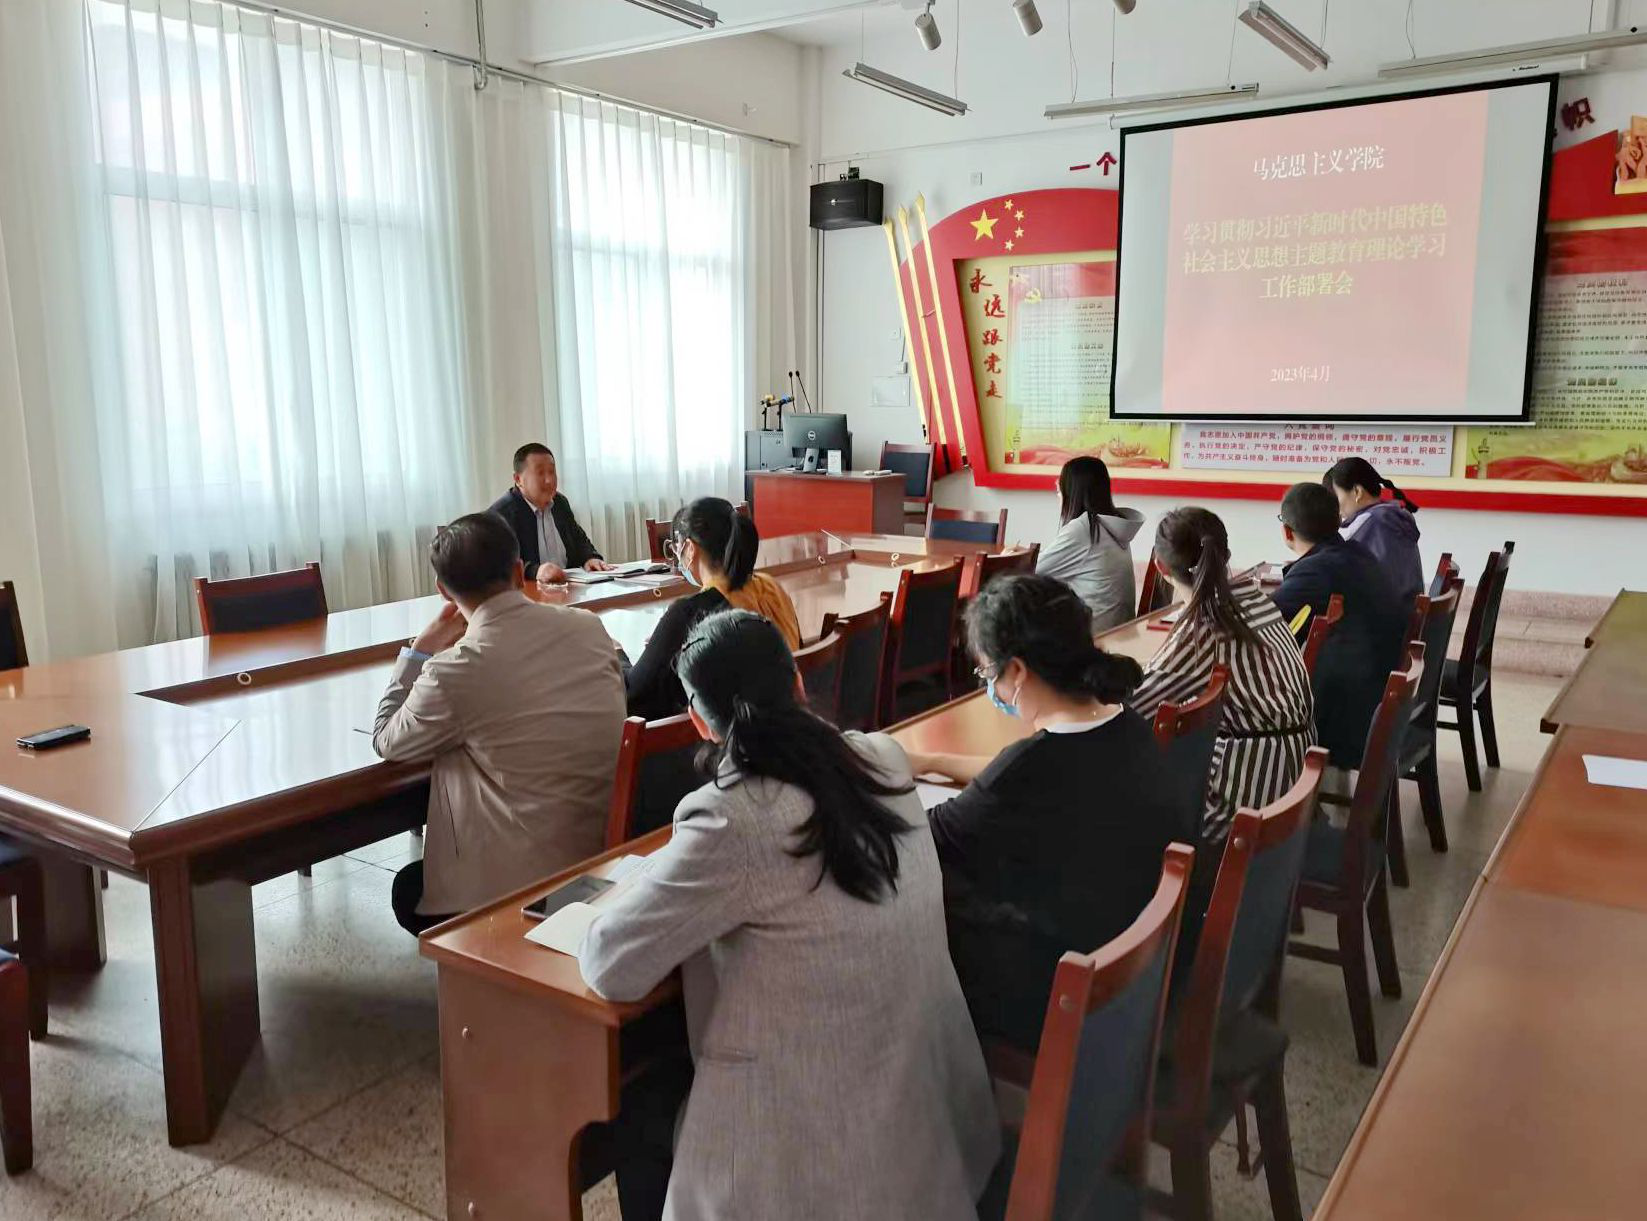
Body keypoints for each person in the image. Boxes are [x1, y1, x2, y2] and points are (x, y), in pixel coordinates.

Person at [578, 611, 1000, 1221]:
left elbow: (609, 964)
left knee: (640, 1106)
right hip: (921, 1125)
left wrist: (649, 877)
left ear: (701, 722)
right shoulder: (881, 757)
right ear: (799, 682)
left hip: (808, 1148)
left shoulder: (729, 816)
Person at [903, 574, 1190, 1053]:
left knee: (921, 899)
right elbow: (1008, 775)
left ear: (1017, 671)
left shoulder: (1026, 771)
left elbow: (918, 839)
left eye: (987, 672)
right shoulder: (1125, 724)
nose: (990, 686)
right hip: (1134, 977)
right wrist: (931, 760)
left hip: (1063, 1000)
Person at [372, 512, 625, 934]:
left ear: (442, 591)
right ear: (518, 570)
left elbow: (386, 739)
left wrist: (420, 650)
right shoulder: (589, 627)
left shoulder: (455, 669)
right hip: (601, 863)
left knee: (408, 890)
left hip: (522, 891)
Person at [1128, 507, 1314, 847]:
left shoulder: (1203, 625)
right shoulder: (1256, 600)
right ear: (1226, 555)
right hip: (1293, 778)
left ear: (1160, 567)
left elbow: (1134, 708)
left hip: (1247, 800)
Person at [624, 497, 802, 720]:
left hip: (731, 734)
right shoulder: (771, 586)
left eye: (676, 548)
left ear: (689, 549)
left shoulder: (691, 613)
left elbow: (634, 698)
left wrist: (618, 656)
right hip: (783, 722)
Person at [1272, 483, 1408, 769]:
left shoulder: (1316, 570)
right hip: (1382, 701)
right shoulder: (1358, 553)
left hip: (1349, 719)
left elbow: (1261, 625)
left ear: (1287, 532)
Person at [1034, 455, 1147, 630]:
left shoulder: (1083, 529)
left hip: (1096, 636)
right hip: (1121, 631)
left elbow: (1032, 570)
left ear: (1071, 492)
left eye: (1059, 489)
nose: (1058, 495)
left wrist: (1013, 556)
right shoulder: (1114, 524)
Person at [486, 443, 614, 584]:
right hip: (529, 591)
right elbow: (500, 563)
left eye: (552, 472)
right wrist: (536, 571)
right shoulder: (501, 514)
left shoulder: (560, 503)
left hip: (568, 587)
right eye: (540, 473)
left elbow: (579, 540)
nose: (549, 480)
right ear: (518, 479)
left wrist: (590, 558)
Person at [1323, 456, 1423, 606]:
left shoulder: (1371, 522)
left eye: (1336, 496)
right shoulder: (1391, 514)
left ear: (1357, 492)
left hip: (1385, 614)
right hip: (1404, 609)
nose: (1335, 507)